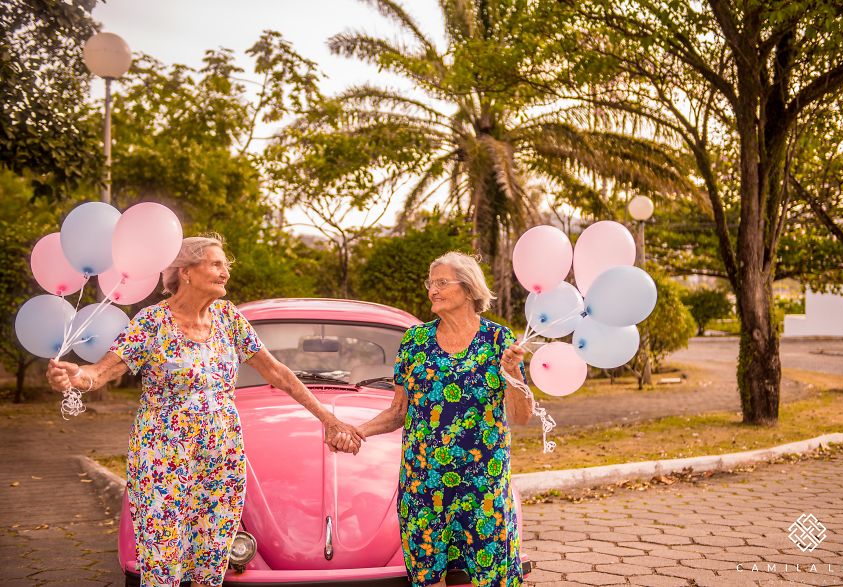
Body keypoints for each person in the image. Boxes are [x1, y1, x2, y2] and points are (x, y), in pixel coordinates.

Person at [45, 235, 363, 587]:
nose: (225, 272)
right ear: (185, 272)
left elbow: (278, 372)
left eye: (226, 265)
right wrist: (77, 377)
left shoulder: (229, 319)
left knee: (211, 561)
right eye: (216, 263)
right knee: (162, 561)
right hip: (163, 461)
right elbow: (102, 372)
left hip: (222, 458)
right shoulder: (151, 322)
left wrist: (328, 418)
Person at [352, 251, 532, 587]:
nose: (432, 290)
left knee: (490, 576)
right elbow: (398, 412)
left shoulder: (498, 341)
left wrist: (512, 374)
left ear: (467, 289)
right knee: (427, 574)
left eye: (441, 283)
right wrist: (358, 431)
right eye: (430, 283)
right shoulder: (415, 341)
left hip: (482, 485)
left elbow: (521, 416)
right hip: (424, 482)